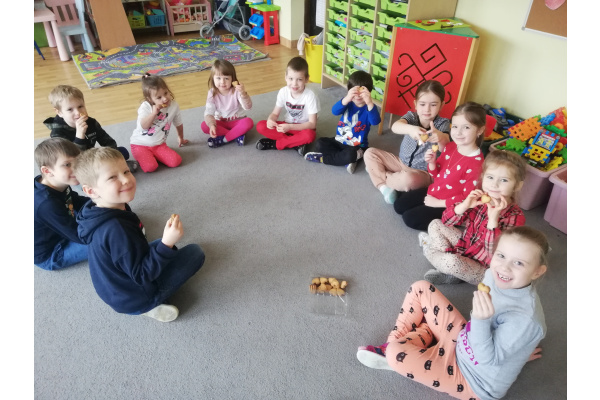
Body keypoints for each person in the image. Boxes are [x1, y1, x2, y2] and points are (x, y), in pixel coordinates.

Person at [356, 226, 548, 400]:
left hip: (472, 379)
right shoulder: (493, 274)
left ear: (537, 272)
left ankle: (410, 341)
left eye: (519, 263)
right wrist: (518, 351)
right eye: (501, 255)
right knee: (421, 288)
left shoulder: (526, 320)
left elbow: (486, 359)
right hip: (463, 339)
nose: (504, 267)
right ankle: (399, 341)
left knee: (396, 353)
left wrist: (483, 323)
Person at [74, 147, 205, 322]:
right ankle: (148, 305)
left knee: (158, 244)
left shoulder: (97, 210)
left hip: (116, 288)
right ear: (91, 191)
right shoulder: (116, 229)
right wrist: (167, 243)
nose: (126, 180)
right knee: (194, 253)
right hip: (134, 296)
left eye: (126, 171)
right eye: (112, 177)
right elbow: (141, 275)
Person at [420, 150, 528, 285]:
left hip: (483, 268)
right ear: (483, 177)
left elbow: (495, 252)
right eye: (490, 177)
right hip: (465, 247)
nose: (494, 184)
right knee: (435, 224)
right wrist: (464, 206)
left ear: (517, 185)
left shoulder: (515, 217)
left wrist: (493, 221)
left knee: (451, 262)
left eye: (504, 180)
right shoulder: (479, 198)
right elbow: (446, 221)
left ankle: (430, 249)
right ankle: (451, 271)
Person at [394, 102, 487, 231]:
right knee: (399, 205)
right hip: (436, 191)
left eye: (466, 127)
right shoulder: (451, 146)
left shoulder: (476, 164)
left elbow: (467, 198)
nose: (458, 132)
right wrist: (432, 162)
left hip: (452, 206)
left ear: (480, 130)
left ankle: (454, 223)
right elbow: (436, 175)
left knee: (409, 218)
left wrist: (438, 203)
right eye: (455, 126)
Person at [364, 80, 450, 204]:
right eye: (422, 104)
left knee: (409, 180)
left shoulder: (443, 123)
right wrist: (411, 129)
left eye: (433, 105)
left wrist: (440, 137)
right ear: (415, 104)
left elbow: (446, 146)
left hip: (422, 172)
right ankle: (384, 187)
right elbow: (395, 127)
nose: (427, 109)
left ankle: (379, 174)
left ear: (441, 105)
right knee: (369, 153)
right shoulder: (412, 117)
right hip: (401, 162)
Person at [45, 84, 139, 172]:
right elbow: (71, 159)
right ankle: (111, 169)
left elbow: (106, 140)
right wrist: (79, 136)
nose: (78, 112)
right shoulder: (57, 134)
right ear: (59, 112)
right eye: (70, 109)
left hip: (90, 156)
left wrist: (114, 155)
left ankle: (112, 166)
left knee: (122, 152)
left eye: (80, 106)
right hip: (75, 164)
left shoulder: (91, 122)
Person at [304, 70, 381, 174]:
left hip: (357, 145)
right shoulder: (347, 102)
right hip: (340, 140)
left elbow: (375, 122)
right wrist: (347, 98)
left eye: (362, 93)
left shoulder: (370, 107)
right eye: (354, 92)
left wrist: (370, 102)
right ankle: (346, 161)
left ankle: (324, 159)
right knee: (320, 143)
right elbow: (334, 111)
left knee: (350, 155)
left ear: (369, 92)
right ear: (349, 91)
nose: (358, 96)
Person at [34, 138, 88, 270]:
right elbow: (79, 236)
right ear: (47, 171)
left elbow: (75, 201)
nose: (76, 168)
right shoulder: (47, 204)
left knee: (103, 210)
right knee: (106, 239)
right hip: (52, 252)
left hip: (61, 225)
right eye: (67, 164)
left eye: (78, 162)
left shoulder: (58, 183)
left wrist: (105, 204)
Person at [255, 56, 320, 156]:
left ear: (306, 79)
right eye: (291, 79)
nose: (294, 84)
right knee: (261, 126)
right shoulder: (283, 92)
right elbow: (275, 113)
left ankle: (275, 144)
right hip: (286, 125)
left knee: (309, 135)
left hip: (303, 128)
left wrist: (290, 127)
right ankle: (295, 144)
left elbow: (312, 124)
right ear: (285, 77)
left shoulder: (311, 96)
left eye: (299, 79)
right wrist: (270, 120)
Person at [129, 73, 189, 173]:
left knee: (176, 161)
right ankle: (145, 156)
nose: (165, 98)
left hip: (159, 145)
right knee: (150, 167)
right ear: (150, 99)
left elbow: (178, 123)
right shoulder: (145, 107)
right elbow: (143, 126)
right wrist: (153, 114)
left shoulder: (174, 106)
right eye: (159, 97)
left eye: (166, 93)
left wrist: (181, 138)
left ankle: (154, 155)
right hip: (140, 144)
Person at [201, 59, 254, 148]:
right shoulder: (211, 93)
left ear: (232, 79)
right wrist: (212, 125)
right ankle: (236, 136)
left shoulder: (237, 91)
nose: (222, 82)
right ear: (213, 78)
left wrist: (243, 93)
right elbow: (209, 112)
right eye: (218, 78)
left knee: (248, 122)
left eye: (226, 78)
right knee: (204, 125)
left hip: (237, 121)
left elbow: (248, 107)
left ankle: (224, 139)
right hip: (220, 122)